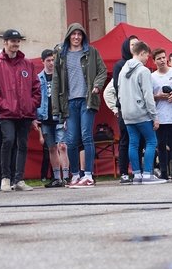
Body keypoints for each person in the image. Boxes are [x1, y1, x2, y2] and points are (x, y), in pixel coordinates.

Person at [53, 23, 107, 187]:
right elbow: (56, 82)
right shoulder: (61, 55)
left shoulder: (91, 52)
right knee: (71, 140)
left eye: (80, 34)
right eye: (74, 34)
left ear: (83, 36)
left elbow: (102, 70)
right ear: (69, 35)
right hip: (69, 102)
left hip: (87, 100)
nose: (77, 37)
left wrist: (97, 85)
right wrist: (56, 109)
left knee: (86, 136)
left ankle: (88, 175)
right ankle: (75, 175)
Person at [0, 29, 41, 191]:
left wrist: (31, 104)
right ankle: (5, 178)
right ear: (5, 42)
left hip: (25, 113)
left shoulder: (27, 63)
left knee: (23, 145)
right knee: (8, 140)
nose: (16, 44)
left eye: (18, 41)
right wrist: (3, 105)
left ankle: (19, 180)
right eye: (13, 41)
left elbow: (36, 87)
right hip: (7, 113)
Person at [117, 41, 166, 184]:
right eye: (147, 56)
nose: (147, 59)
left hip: (127, 113)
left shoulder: (122, 70)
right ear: (142, 53)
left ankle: (137, 174)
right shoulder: (143, 71)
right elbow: (148, 95)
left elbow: (119, 92)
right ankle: (147, 174)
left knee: (133, 143)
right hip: (141, 113)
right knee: (151, 141)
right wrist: (154, 115)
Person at [36, 49, 70, 187]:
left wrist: (67, 115)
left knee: (62, 146)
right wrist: (34, 117)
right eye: (48, 60)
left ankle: (66, 176)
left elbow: (66, 96)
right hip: (45, 117)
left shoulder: (60, 76)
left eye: (53, 60)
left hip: (60, 116)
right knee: (51, 148)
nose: (51, 63)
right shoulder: (38, 78)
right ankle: (56, 177)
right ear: (42, 61)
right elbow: (35, 98)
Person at [108, 35, 139, 183]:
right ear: (127, 46)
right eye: (132, 44)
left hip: (139, 109)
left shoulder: (141, 65)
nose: (135, 46)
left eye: (137, 44)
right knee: (125, 140)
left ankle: (138, 171)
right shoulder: (120, 65)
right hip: (125, 108)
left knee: (139, 140)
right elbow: (116, 87)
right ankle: (124, 172)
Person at [151, 48, 172, 180]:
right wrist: (158, 96)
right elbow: (149, 96)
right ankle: (164, 171)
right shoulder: (152, 76)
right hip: (160, 115)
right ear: (154, 61)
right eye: (159, 58)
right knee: (161, 145)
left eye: (164, 57)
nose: (162, 60)